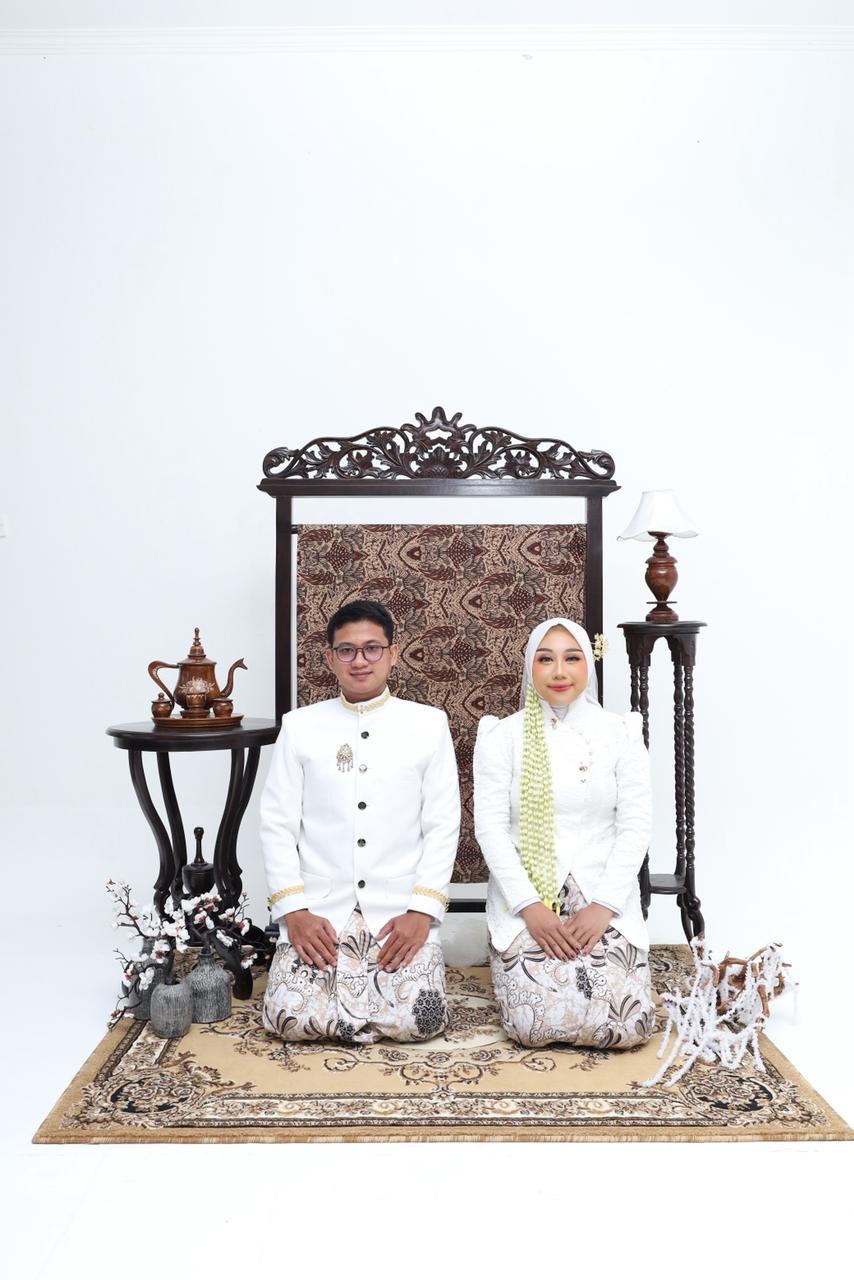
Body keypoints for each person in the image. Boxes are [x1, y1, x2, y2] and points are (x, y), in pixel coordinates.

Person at [260, 599, 460, 1044]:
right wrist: (295, 911)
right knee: (289, 1019)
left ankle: (360, 1011)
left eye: (372, 648)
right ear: (330, 658)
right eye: (346, 650)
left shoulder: (428, 725)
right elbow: (277, 824)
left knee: (419, 1022)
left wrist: (422, 911)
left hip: (399, 908)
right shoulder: (300, 726)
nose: (360, 661)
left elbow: (443, 824)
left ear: (393, 653)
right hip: (320, 908)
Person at [473, 617, 654, 1049]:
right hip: (529, 894)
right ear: (529, 667)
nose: (559, 672)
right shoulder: (502, 735)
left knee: (628, 1026)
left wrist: (603, 906)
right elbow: (490, 829)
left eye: (572, 658)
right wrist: (531, 907)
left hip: (602, 889)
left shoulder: (620, 732)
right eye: (545, 659)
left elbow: (636, 824)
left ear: (588, 664)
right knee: (532, 1026)